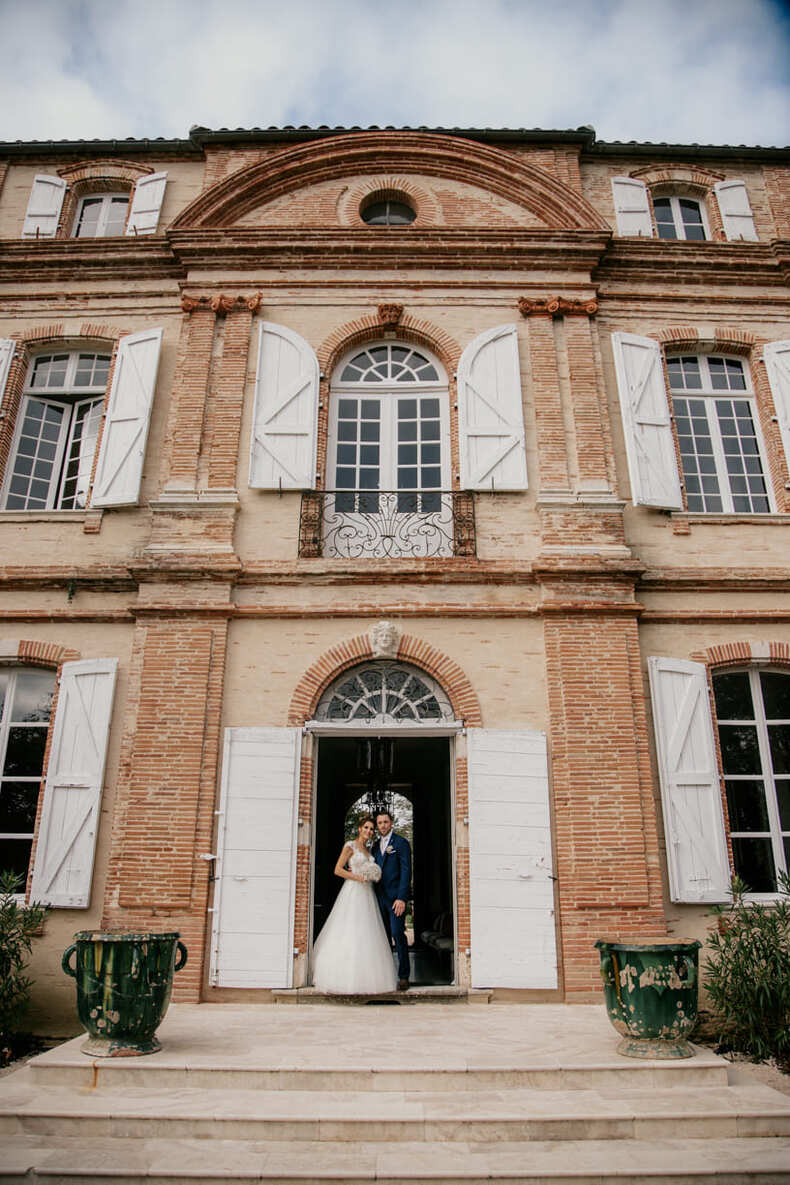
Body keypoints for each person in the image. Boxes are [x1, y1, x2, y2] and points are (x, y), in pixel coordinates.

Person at [311, 815, 397, 994]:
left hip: (367, 894)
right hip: (353, 891)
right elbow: (337, 869)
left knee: (367, 932)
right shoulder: (350, 846)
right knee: (349, 930)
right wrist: (357, 877)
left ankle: (367, 978)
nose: (369, 831)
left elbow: (372, 869)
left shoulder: (368, 850)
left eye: (371, 829)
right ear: (359, 829)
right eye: (366, 827)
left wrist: (374, 875)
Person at [373, 809, 412, 990]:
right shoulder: (374, 846)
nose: (383, 825)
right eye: (380, 823)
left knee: (397, 934)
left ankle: (404, 975)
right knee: (383, 938)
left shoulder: (401, 843)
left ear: (391, 822)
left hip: (395, 899)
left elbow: (406, 871)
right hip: (378, 898)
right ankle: (387, 975)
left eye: (385, 822)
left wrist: (402, 898)